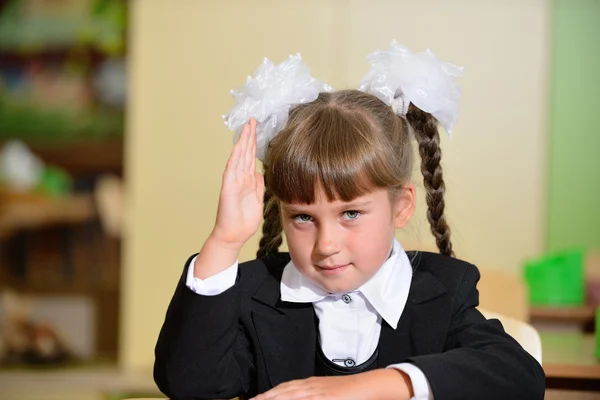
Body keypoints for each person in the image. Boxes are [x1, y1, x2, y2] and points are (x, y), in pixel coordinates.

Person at [154, 42, 545, 400]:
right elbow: (190, 385)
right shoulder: (254, 293)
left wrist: (375, 386)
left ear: (401, 207)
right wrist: (223, 242)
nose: (326, 245)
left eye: (351, 214)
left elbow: (519, 377)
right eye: (304, 217)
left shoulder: (443, 291)